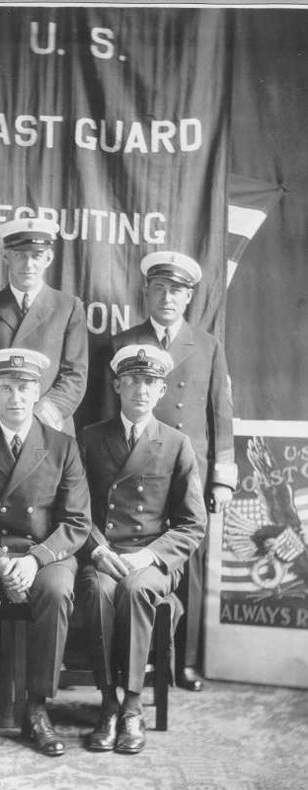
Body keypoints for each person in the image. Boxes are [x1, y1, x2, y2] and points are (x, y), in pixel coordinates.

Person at [0, 347, 91, 756]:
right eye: (5, 387)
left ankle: (37, 706)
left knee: (58, 591)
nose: (16, 397)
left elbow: (77, 521)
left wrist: (36, 559)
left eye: (24, 387)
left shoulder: (62, 446)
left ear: (38, 390)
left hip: (44, 553)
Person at [110, 251, 237, 691]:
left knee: (188, 567)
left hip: (190, 470)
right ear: (146, 292)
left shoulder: (207, 345)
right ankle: (125, 659)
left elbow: (220, 412)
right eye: (159, 289)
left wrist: (221, 477)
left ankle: (182, 661)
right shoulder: (122, 342)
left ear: (189, 298)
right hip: (134, 472)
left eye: (177, 291)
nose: (167, 298)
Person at [78, 344, 207, 754]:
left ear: (162, 389)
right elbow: (75, 512)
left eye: (150, 381)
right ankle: (108, 703)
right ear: (117, 385)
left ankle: (132, 706)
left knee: (136, 589)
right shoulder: (91, 439)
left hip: (153, 555)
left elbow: (192, 523)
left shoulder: (175, 443)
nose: (141, 389)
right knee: (98, 591)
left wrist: (148, 556)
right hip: (103, 551)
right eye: (132, 380)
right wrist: (98, 550)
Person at [0, 218, 88, 435]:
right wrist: (6, 413)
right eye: (20, 255)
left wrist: (40, 415)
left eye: (36, 256)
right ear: (5, 256)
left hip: (50, 427)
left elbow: (75, 375)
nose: (28, 265)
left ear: (48, 258)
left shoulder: (68, 307)